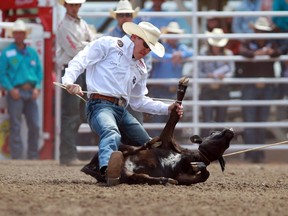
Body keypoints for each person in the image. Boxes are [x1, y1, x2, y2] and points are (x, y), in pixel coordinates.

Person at [62, 21, 183, 186]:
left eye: (150, 48)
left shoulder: (141, 68)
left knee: (148, 145)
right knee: (111, 132)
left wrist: (167, 108)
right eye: (145, 44)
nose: (146, 50)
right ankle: (106, 170)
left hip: (121, 110)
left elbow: (138, 101)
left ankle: (157, 171)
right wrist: (69, 81)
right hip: (99, 105)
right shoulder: (108, 44)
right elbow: (80, 60)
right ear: (134, 37)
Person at [56, 0, 96, 166]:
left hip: (79, 69)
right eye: (71, 4)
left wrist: (86, 45)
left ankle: (69, 153)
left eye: (76, 4)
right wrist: (89, 46)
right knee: (71, 113)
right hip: (71, 70)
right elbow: (76, 50)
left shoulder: (81, 24)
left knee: (79, 113)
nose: (74, 7)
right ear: (65, 5)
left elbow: (91, 43)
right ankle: (67, 154)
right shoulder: (63, 26)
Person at [239, 17, 281, 163]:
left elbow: (278, 52)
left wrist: (269, 52)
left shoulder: (271, 44)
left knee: (261, 121)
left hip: (265, 86)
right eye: (259, 31)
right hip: (251, 86)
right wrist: (257, 53)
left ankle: (259, 154)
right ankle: (250, 154)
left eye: (263, 31)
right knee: (250, 121)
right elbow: (242, 51)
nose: (261, 33)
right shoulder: (248, 43)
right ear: (255, 31)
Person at [0, 19, 43, 159]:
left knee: (35, 125)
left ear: (25, 35)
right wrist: (10, 89)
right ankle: (17, 157)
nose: (19, 35)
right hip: (16, 92)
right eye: (16, 33)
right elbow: (2, 74)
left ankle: (32, 156)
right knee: (16, 125)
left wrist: (37, 88)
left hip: (31, 92)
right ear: (14, 34)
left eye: (21, 33)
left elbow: (39, 72)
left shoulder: (32, 53)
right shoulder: (7, 53)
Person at [107, 0, 150, 125]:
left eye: (127, 15)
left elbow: (147, 59)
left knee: (134, 121)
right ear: (117, 17)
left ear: (132, 17)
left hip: (133, 85)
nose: (125, 18)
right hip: (114, 89)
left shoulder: (111, 36)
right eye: (121, 15)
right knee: (116, 124)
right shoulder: (110, 36)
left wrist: (139, 76)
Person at [147, 21, 193, 138]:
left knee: (173, 121)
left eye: (175, 33)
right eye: (171, 33)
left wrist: (181, 55)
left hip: (173, 91)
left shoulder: (180, 48)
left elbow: (191, 52)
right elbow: (152, 54)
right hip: (160, 89)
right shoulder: (162, 47)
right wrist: (172, 56)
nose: (173, 36)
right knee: (158, 121)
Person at [198, 28, 235, 137]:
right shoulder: (203, 53)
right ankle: (204, 146)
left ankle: (217, 146)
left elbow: (231, 72)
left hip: (222, 89)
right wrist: (207, 76)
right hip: (207, 89)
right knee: (206, 120)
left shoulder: (228, 54)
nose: (216, 46)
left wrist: (224, 77)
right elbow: (199, 72)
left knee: (221, 119)